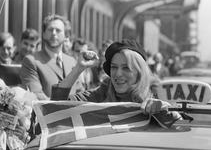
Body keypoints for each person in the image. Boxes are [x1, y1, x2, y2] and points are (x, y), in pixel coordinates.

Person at [51, 39, 181, 128]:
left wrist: (161, 109)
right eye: (114, 67)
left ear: (139, 72)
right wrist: (78, 68)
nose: (118, 74)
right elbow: (55, 107)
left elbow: (179, 126)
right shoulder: (103, 91)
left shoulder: (158, 92)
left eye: (126, 68)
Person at [20, 14, 76, 100]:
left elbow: (80, 93)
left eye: (58, 30)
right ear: (43, 34)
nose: (54, 33)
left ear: (66, 36)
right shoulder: (31, 61)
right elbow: (36, 95)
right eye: (50, 30)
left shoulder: (73, 62)